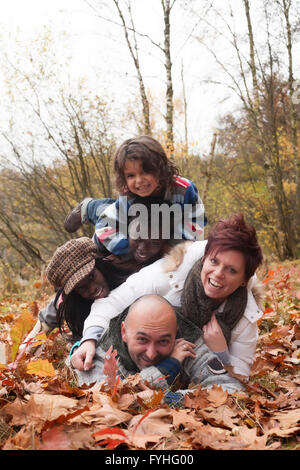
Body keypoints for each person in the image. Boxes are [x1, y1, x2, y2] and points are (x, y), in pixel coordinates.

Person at [70, 214, 264, 378]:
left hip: (188, 373)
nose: (218, 273)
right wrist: (89, 340)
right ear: (205, 258)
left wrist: (222, 353)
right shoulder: (171, 273)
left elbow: (239, 379)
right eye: (214, 261)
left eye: (231, 270)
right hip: (139, 355)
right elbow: (114, 301)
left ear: (244, 280)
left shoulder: (245, 316)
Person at [70, 294, 244, 406]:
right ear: (124, 332)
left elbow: (232, 389)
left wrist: (169, 400)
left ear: (175, 334)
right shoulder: (102, 349)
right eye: (142, 340)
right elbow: (105, 400)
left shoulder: (188, 340)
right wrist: (167, 367)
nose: (151, 353)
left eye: (163, 341)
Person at [64, 135, 207, 255]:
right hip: (131, 222)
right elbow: (105, 228)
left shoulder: (184, 190)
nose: (139, 181)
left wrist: (172, 248)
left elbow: (196, 222)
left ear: (161, 169)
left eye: (145, 172)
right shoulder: (128, 194)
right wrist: (129, 249)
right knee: (109, 212)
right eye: (131, 175)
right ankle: (89, 207)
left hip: (162, 226)